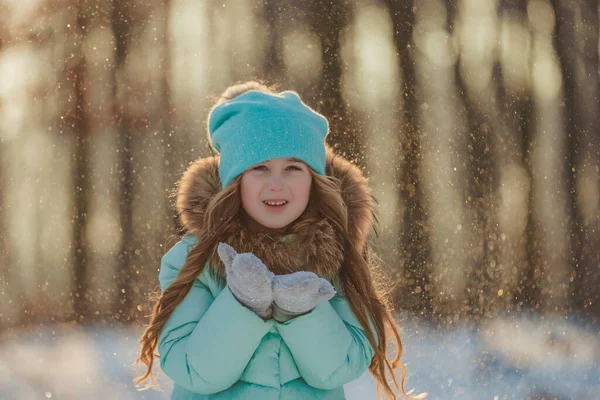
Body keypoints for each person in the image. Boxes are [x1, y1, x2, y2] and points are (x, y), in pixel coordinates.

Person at [135, 81, 424, 399]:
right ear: (235, 181)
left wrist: (302, 312)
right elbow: (193, 370)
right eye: (259, 167)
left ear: (313, 181)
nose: (276, 184)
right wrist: (243, 304)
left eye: (292, 168)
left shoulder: (335, 257)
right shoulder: (194, 260)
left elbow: (341, 368)